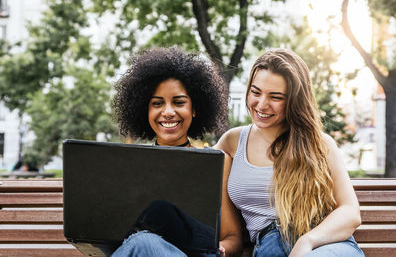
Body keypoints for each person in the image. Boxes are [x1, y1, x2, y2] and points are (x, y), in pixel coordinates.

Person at [215, 48, 365, 257]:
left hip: (324, 245)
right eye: (256, 92)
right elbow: (196, 181)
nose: (262, 104)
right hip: (269, 246)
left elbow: (350, 212)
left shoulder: (320, 144)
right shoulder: (232, 142)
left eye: (275, 97)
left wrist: (306, 241)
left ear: (294, 100)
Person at [111, 46, 228, 256]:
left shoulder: (215, 163)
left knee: (143, 242)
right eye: (157, 104)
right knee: (142, 243)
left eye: (179, 102)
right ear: (145, 111)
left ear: (194, 108)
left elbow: (232, 238)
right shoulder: (130, 166)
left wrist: (223, 249)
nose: (167, 112)